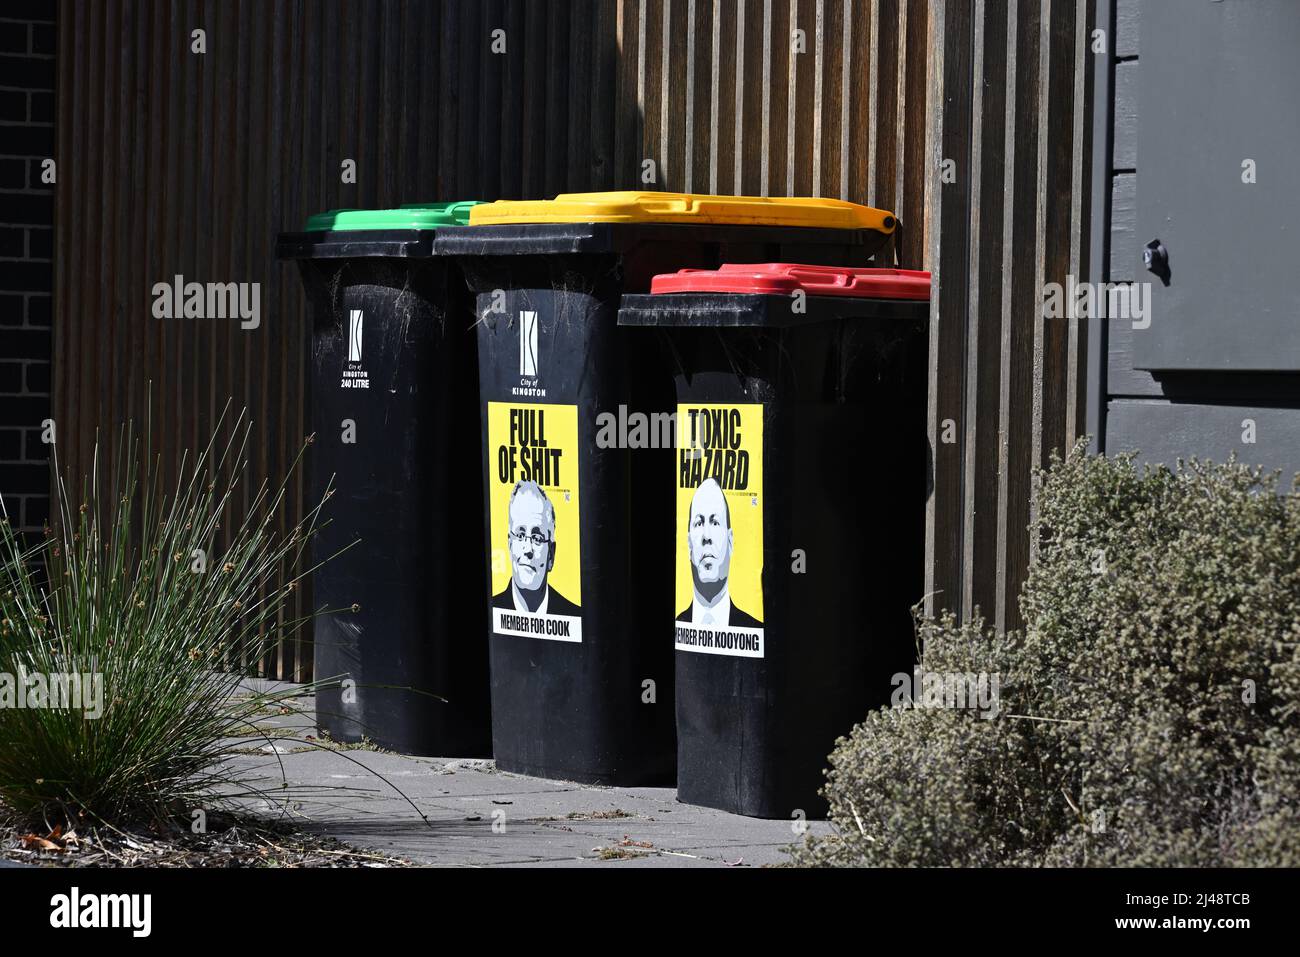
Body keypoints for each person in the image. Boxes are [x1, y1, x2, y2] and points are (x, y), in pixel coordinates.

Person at [677, 477, 760, 628]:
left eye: (715, 522)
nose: (706, 536)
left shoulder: (754, 630)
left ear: (730, 541)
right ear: (689, 544)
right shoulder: (678, 625)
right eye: (699, 523)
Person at [492, 480, 580, 616]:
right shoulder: (494, 610)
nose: (528, 549)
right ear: (510, 545)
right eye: (520, 535)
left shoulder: (572, 614)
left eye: (537, 538)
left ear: (551, 555)